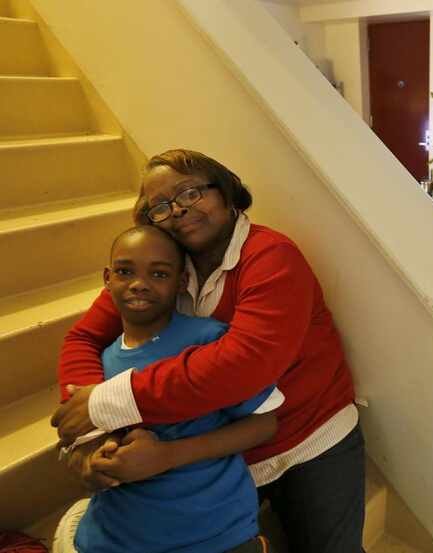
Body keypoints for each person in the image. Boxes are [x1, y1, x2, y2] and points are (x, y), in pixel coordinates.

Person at [52, 150, 365, 553]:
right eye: (160, 207)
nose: (178, 210)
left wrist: (106, 402)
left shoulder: (272, 257)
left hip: (309, 434)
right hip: (223, 448)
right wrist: (89, 437)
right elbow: (84, 340)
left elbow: (244, 365)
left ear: (228, 192)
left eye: (191, 193)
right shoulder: (159, 270)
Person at [56, 225, 280, 553]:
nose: (139, 284)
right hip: (116, 532)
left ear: (181, 282)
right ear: (107, 279)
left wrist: (167, 456)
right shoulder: (100, 361)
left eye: (159, 274)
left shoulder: (211, 340)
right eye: (124, 271)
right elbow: (78, 437)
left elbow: (264, 425)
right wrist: (93, 465)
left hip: (215, 530)